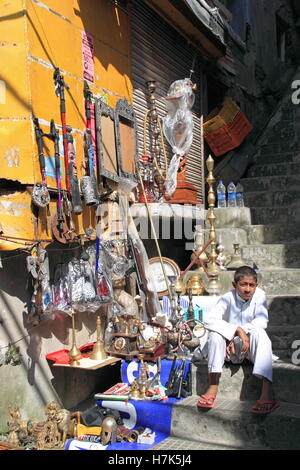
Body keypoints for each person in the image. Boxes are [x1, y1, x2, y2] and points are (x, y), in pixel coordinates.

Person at [197, 265, 279, 415]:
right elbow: (209, 320)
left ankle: (267, 391)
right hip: (228, 351)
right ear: (235, 285)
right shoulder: (227, 297)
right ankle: (213, 385)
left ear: (256, 285)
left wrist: (243, 333)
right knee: (215, 335)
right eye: (243, 284)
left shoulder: (259, 295)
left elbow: (262, 321)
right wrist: (236, 331)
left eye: (251, 285)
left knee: (260, 333)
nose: (248, 289)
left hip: (249, 350)